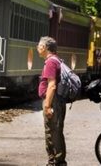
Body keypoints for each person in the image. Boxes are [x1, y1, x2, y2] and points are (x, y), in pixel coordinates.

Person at [38, 36, 66, 166]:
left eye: (39, 45)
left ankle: (54, 162)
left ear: (44, 47)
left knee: (52, 132)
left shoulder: (50, 62)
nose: (37, 48)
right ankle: (58, 161)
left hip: (53, 100)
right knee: (57, 131)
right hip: (58, 100)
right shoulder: (57, 60)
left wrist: (47, 106)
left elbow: (52, 85)